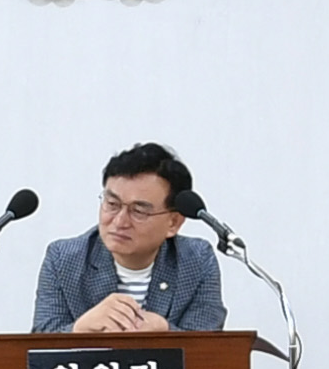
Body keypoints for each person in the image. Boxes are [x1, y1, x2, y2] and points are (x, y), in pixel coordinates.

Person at [33, 142, 228, 337]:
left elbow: (207, 345)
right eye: (112, 204)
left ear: (173, 222)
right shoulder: (63, 259)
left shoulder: (196, 260)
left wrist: (166, 330)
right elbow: (38, 344)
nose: (119, 221)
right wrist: (80, 328)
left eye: (139, 211)